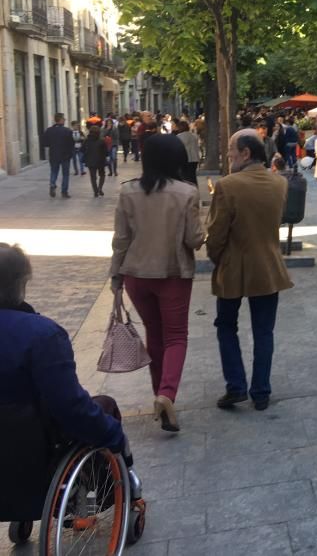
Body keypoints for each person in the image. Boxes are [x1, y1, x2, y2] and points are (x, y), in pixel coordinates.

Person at [0, 243, 139, 486]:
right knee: (104, 409)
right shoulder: (41, 335)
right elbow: (70, 407)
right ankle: (111, 489)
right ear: (21, 283)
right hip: (30, 453)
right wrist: (114, 435)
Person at [110, 135, 205, 432]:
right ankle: (166, 395)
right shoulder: (187, 193)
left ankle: (160, 399)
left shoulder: (128, 192)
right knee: (176, 336)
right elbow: (194, 239)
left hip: (136, 275)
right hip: (173, 273)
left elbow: (121, 239)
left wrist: (115, 275)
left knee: (155, 335)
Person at [207, 129, 293, 411]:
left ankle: (236, 386)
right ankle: (261, 391)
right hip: (268, 266)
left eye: (231, 150)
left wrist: (215, 258)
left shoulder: (227, 185)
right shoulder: (279, 183)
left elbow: (217, 233)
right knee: (264, 331)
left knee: (226, 326)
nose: (228, 156)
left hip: (233, 266)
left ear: (246, 153)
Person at [42, 113, 74, 199]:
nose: (65, 120)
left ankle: (52, 184)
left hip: (54, 155)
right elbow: (71, 144)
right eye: (64, 118)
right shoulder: (67, 131)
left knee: (54, 172)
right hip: (65, 156)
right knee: (65, 174)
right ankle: (64, 192)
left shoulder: (49, 130)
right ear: (60, 120)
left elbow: (45, 143)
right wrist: (70, 154)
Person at [84, 124, 108, 197]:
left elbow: (82, 149)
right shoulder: (102, 141)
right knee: (102, 175)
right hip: (100, 161)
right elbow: (106, 152)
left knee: (93, 177)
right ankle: (100, 188)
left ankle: (95, 191)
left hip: (90, 161)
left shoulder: (87, 140)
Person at [175, 120, 201, 186]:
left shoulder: (178, 137)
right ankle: (195, 189)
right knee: (193, 176)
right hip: (194, 158)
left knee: (185, 177)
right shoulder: (194, 136)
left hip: (185, 159)